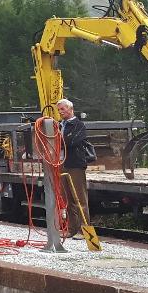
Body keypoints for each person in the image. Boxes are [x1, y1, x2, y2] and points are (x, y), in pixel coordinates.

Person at [56, 100, 92, 240]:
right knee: (69, 199)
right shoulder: (60, 125)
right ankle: (72, 229)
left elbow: (71, 142)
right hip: (63, 164)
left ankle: (85, 230)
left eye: (63, 109)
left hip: (75, 165)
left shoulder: (78, 125)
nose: (60, 111)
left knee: (80, 199)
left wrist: (60, 139)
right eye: (59, 109)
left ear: (70, 109)